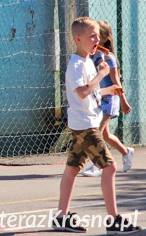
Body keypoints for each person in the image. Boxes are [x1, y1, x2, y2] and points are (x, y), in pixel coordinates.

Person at [53, 17, 138, 234]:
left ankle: (61, 217)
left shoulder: (88, 62)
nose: (97, 40)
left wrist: (109, 91)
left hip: (83, 123)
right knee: (110, 167)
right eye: (92, 36)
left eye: (98, 36)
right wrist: (102, 74)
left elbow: (90, 93)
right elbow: (81, 92)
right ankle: (114, 221)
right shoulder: (76, 65)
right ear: (78, 39)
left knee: (72, 168)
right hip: (86, 126)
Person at [80, 21, 134, 177]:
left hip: (109, 100)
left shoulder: (108, 58)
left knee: (97, 133)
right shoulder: (91, 55)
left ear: (103, 38)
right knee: (105, 135)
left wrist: (123, 100)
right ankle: (126, 151)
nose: (94, 39)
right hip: (98, 98)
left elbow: (116, 82)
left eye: (97, 35)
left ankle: (99, 164)